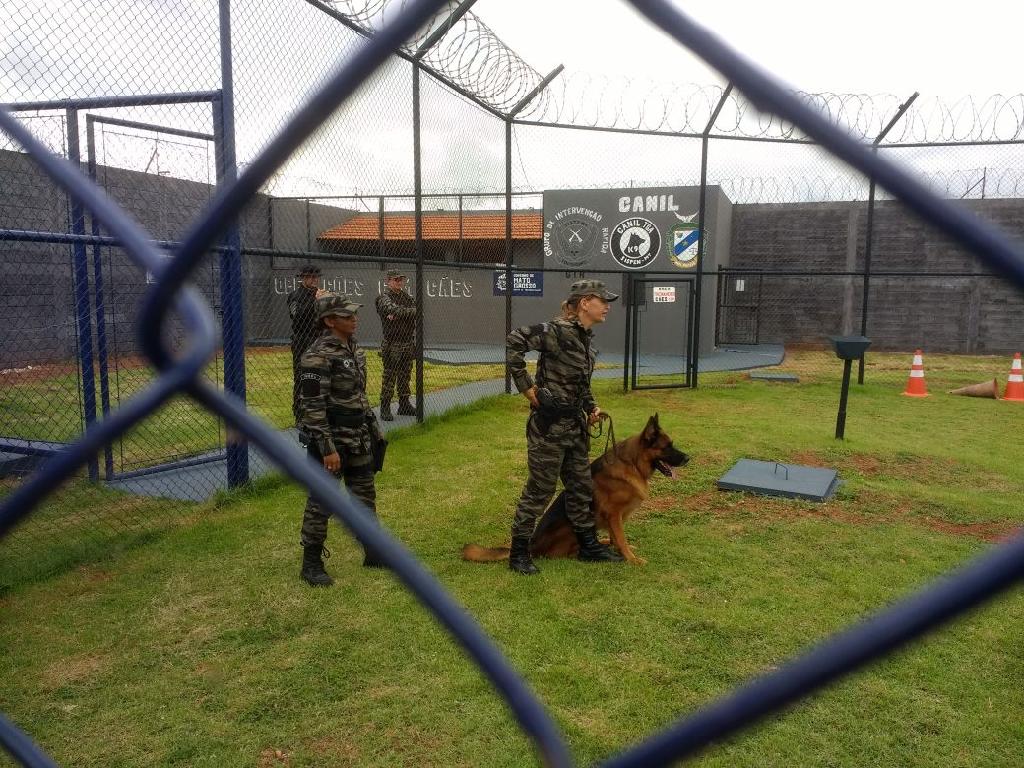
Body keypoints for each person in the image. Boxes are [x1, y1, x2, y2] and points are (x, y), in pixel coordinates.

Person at [504, 279, 625, 575]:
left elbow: (580, 385)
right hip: (549, 427)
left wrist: (591, 408)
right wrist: (527, 388)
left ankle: (587, 546)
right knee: (540, 489)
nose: (607, 306)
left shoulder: (586, 338)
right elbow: (514, 340)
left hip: (574, 427)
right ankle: (518, 552)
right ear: (585, 303)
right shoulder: (556, 331)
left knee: (581, 488)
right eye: (602, 300)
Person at [297, 292, 387, 586]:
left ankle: (373, 550)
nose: (354, 319)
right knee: (322, 500)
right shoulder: (317, 356)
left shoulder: (355, 351)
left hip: (358, 436)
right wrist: (326, 449)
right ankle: (311, 562)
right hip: (331, 440)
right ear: (330, 321)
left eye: (353, 314)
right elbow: (312, 407)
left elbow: (359, 396)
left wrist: (373, 429)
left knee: (364, 495)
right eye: (347, 316)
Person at [374, 268, 417, 421]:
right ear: (388, 281)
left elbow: (419, 311)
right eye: (396, 279)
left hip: (407, 342)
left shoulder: (406, 296)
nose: (399, 282)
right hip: (392, 343)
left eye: (401, 279)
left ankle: (404, 404)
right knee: (390, 375)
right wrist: (406, 312)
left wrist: (400, 314)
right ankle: (385, 407)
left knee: (405, 375)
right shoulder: (383, 297)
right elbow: (390, 309)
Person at [287, 264, 325, 424]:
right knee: (302, 377)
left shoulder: (319, 294)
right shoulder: (296, 296)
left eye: (316, 277)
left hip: (318, 339)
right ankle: (300, 415)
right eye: (310, 277)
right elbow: (297, 317)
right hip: (303, 340)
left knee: (320, 378)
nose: (314, 280)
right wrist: (315, 301)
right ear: (303, 278)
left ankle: (316, 413)